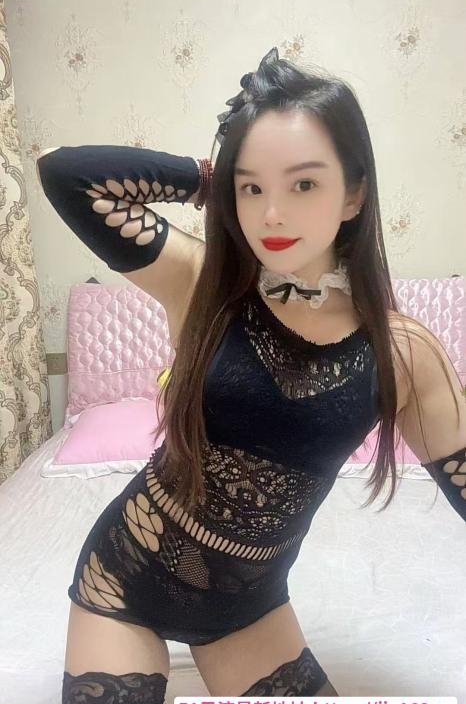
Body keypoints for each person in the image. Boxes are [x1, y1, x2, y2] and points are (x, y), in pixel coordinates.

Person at [36, 47, 466, 702]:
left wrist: (247, 176)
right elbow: (67, 174)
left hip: (247, 609)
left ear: (354, 193)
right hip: (126, 573)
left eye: (304, 184)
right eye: (253, 188)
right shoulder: (200, 283)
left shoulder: (404, 354)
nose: (271, 215)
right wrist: (208, 180)